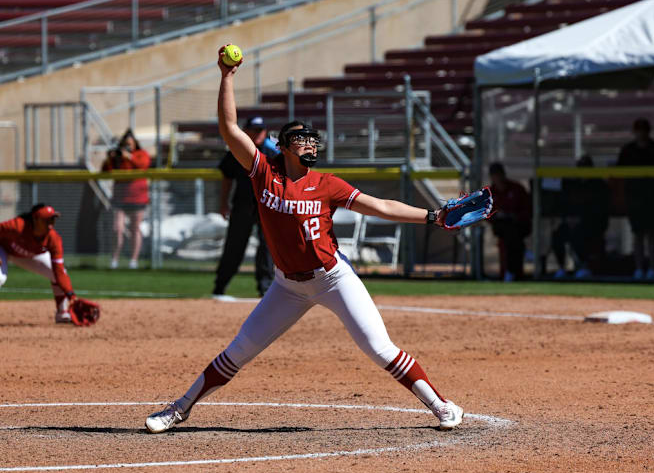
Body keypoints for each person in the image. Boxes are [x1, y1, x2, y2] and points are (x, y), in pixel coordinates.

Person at [145, 45, 464, 434]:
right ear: (282, 146)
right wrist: (226, 76)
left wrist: (432, 215)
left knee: (379, 348)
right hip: (287, 286)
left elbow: (379, 205)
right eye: (302, 139)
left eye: (313, 140)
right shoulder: (264, 171)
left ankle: (443, 406)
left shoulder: (326, 184)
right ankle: (178, 409)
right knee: (239, 352)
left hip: (333, 278)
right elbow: (229, 129)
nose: (310, 144)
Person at [212, 116, 277, 299]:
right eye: (254, 130)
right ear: (245, 131)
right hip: (243, 203)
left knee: (267, 247)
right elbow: (227, 178)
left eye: (261, 130)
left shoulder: (273, 151)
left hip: (268, 206)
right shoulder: (237, 149)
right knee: (234, 245)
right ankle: (220, 287)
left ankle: (265, 289)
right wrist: (223, 203)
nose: (258, 134)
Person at [0, 204, 77, 323]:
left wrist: (71, 295)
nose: (51, 223)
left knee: (57, 272)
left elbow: (59, 271)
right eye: (47, 220)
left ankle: (62, 313)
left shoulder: (53, 238)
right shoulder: (18, 226)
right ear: (35, 219)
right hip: (4, 249)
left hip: (28, 255)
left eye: (53, 219)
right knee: (0, 278)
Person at [551, 155, 610, 279]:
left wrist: (581, 219)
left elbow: (600, 209)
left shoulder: (598, 184)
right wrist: (568, 218)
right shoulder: (573, 184)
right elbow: (565, 205)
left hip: (593, 223)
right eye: (581, 168)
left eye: (586, 168)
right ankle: (562, 267)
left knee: (579, 234)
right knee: (557, 235)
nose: (583, 171)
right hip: (571, 222)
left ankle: (584, 266)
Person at [616, 118, 654, 280]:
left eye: (644, 129)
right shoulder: (628, 150)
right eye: (638, 130)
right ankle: (639, 268)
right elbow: (619, 173)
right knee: (638, 235)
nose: (641, 133)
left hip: (652, 199)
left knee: (652, 234)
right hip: (635, 199)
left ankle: (653, 269)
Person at [101, 128, 151, 270]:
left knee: (135, 229)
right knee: (117, 228)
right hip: (120, 198)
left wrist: (129, 156)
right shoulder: (118, 158)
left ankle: (133, 260)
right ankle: (115, 259)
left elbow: (143, 165)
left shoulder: (141, 154)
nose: (127, 147)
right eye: (125, 144)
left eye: (130, 144)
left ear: (135, 144)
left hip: (138, 198)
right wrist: (111, 158)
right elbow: (105, 170)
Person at [488, 162, 532, 281]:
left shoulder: (516, 188)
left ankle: (510, 272)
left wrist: (513, 216)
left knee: (511, 235)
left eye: (499, 174)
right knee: (509, 232)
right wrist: (498, 215)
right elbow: (487, 214)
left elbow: (527, 210)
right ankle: (517, 262)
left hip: (519, 226)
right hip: (500, 227)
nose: (497, 178)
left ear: (503, 174)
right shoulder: (490, 193)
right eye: (494, 175)